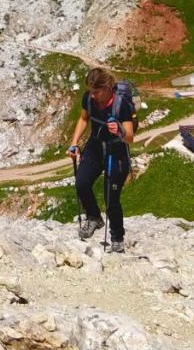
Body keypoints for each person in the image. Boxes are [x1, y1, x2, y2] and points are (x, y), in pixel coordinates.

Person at [67, 67, 135, 253]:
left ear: (107, 88)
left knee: (111, 198)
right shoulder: (88, 99)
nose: (93, 95)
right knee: (82, 183)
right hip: (95, 147)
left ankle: (117, 238)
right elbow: (83, 119)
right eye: (90, 91)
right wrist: (74, 143)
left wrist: (119, 130)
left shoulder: (121, 105)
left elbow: (130, 137)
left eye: (96, 91)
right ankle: (94, 217)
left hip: (117, 151)